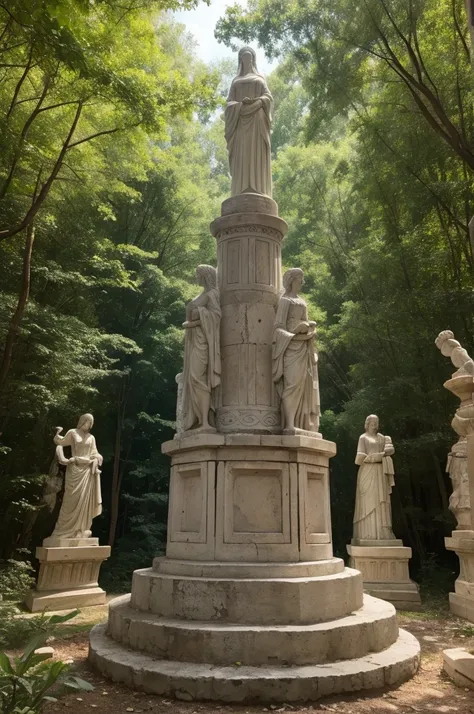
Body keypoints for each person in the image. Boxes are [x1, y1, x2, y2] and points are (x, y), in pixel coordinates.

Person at [272, 268, 320, 433]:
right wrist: (294, 333)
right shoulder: (285, 301)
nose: (302, 283)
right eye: (300, 280)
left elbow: (305, 323)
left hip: (303, 348)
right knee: (291, 385)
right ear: (291, 281)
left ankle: (299, 423)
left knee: (302, 386)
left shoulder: (302, 301)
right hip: (290, 347)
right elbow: (278, 328)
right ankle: (290, 424)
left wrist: (310, 330)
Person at [225, 46, 273, 197]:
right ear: (241, 60)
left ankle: (259, 189)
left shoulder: (260, 79)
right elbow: (228, 103)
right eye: (244, 57)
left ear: (253, 59)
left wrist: (258, 103)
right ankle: (240, 191)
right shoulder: (235, 81)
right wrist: (240, 106)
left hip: (257, 121)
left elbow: (268, 97)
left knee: (256, 154)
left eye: (250, 57)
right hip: (240, 122)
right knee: (242, 157)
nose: (247, 60)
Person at [50, 413, 102, 539]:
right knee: (70, 500)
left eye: (91, 423)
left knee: (84, 500)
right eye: (87, 422)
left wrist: (96, 458)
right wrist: (58, 434)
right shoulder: (73, 432)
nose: (88, 425)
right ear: (82, 421)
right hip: (75, 469)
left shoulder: (91, 437)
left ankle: (81, 529)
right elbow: (60, 443)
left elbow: (96, 454)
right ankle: (62, 530)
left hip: (87, 471)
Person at [182, 265, 221, 431]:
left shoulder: (212, 294)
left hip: (203, 342)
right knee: (192, 379)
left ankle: (205, 421)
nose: (196, 277)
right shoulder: (201, 295)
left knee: (198, 378)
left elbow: (216, 317)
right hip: (193, 343)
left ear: (205, 276)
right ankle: (199, 419)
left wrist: (193, 323)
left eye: (198, 274)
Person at [353, 414, 396, 542]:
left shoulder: (382, 438)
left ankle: (383, 533)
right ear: (367, 423)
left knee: (382, 500)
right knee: (367, 500)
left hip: (380, 471)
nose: (374, 424)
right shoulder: (363, 438)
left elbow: (390, 450)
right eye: (372, 422)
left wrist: (383, 453)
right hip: (367, 470)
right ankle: (367, 533)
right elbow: (359, 456)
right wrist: (375, 456)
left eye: (376, 422)